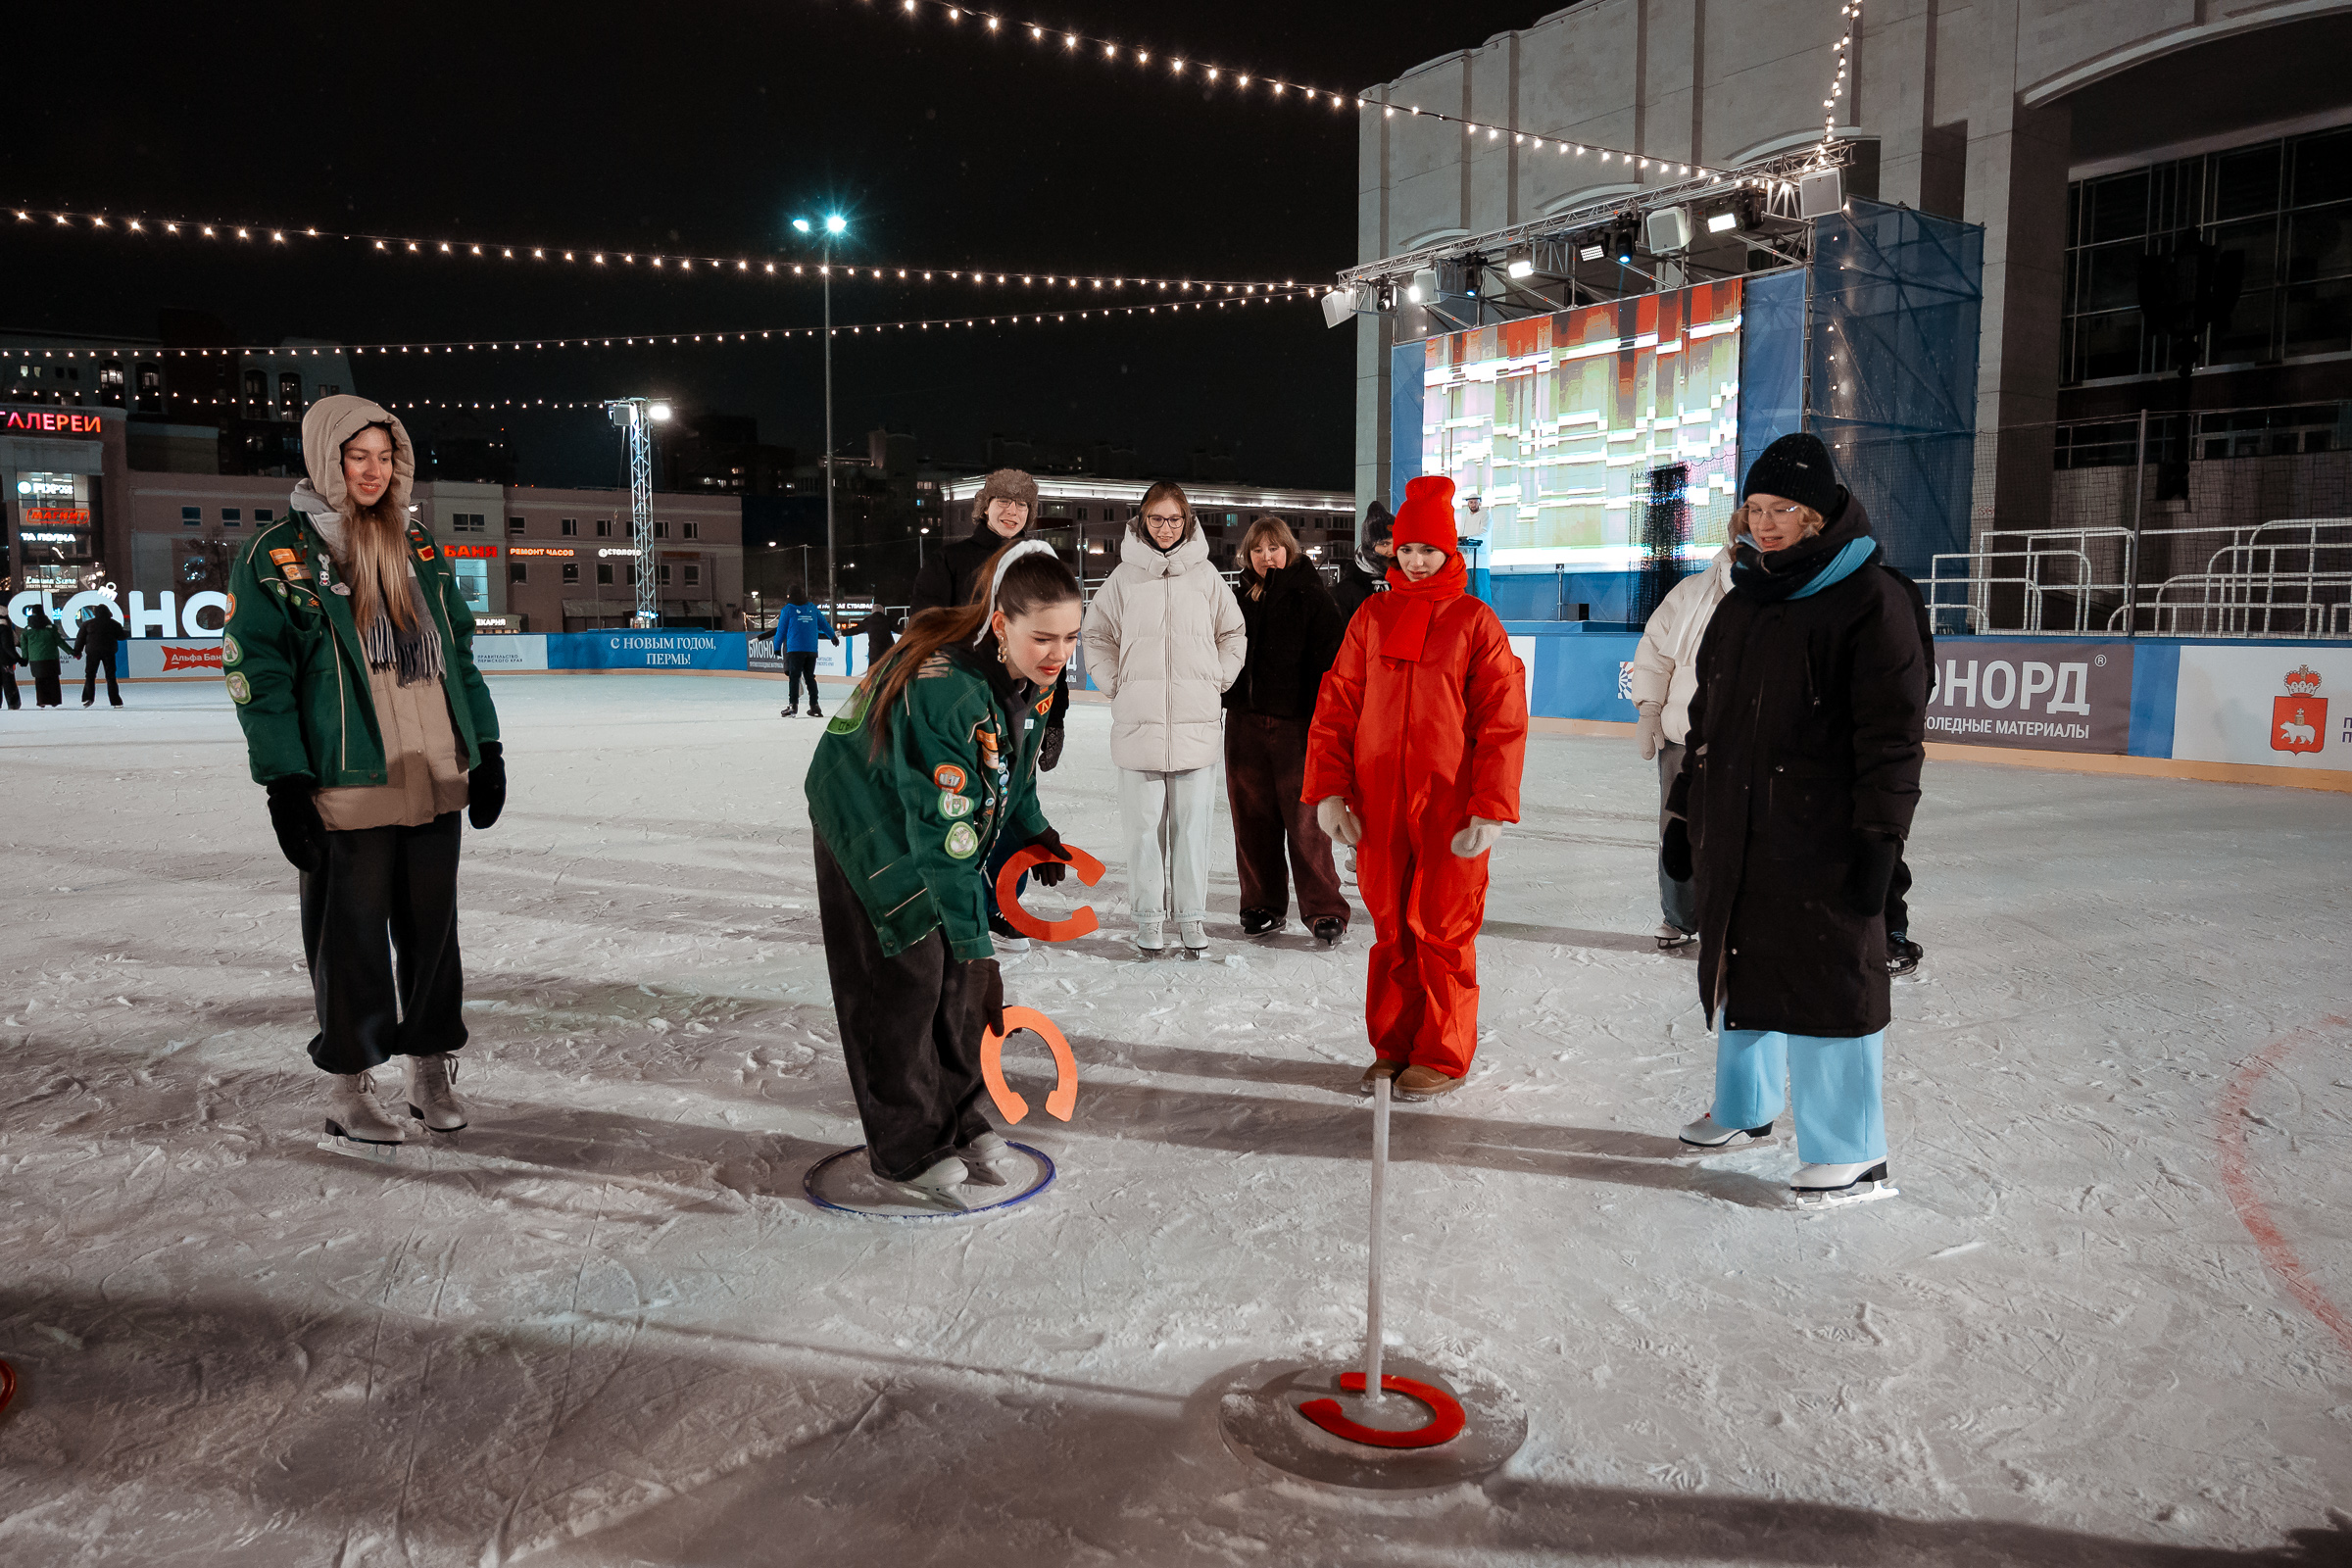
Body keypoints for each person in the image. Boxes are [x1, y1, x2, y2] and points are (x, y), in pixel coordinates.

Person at [224, 395, 507, 1152]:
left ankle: (427, 1073)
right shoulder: (279, 555)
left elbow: (460, 657)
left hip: (433, 772)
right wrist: (284, 781)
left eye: (386, 456)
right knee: (347, 941)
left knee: (432, 937)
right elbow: (260, 671)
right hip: (346, 781)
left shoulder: (417, 545)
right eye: (359, 457)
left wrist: (485, 750)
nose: (374, 471)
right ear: (327, 460)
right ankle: (348, 1091)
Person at [1663, 432, 1927, 1202]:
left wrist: (1882, 838)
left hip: (1825, 832)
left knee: (1827, 979)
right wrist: (1683, 813)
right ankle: (1745, 1109)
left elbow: (1892, 735)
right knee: (1739, 959)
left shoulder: (1872, 599)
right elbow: (1705, 722)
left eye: (1785, 509)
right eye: (1756, 508)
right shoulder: (1745, 598)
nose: (1767, 523)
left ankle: (1853, 1149)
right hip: (1741, 824)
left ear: (1817, 514)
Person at [805, 540, 1081, 1207]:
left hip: (934, 819)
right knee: (908, 971)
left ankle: (956, 1114)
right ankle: (901, 1145)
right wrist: (979, 949)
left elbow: (1007, 769)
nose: (1058, 654)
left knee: (958, 979)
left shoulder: (1030, 677)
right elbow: (944, 837)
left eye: (1070, 637)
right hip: (869, 821)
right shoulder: (946, 691)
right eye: (1043, 638)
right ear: (1001, 624)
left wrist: (1028, 826)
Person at [1304, 475, 1528, 1101]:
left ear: (1451, 550)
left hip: (1449, 805)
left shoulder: (1474, 621)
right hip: (1380, 803)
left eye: (1428, 550)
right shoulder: (1373, 617)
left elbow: (1502, 721)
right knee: (1391, 928)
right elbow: (1338, 705)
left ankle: (1442, 1052)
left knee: (1441, 927)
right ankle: (1393, 1045)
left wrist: (1490, 806)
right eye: (1406, 550)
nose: (1417, 560)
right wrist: (1329, 790)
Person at [1081, 480, 1247, 955]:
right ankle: (1149, 917)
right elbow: (1096, 635)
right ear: (1142, 521)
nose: (1166, 527)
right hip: (1139, 724)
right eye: (1157, 519)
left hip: (1195, 724)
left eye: (1175, 519)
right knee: (1144, 831)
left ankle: (1192, 917)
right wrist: (1115, 682)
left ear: (1188, 521)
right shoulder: (1123, 578)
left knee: (1193, 831)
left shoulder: (1207, 577)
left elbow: (1233, 631)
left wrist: (1219, 676)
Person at [915, 469, 1066, 950]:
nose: (1012, 511)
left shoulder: (1038, 565)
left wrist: (1055, 716)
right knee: (964, 802)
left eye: (1022, 505)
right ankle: (960, 906)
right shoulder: (952, 560)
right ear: (984, 506)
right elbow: (925, 630)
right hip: (964, 706)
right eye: (1003, 501)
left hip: (1021, 704)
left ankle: (1002, 906)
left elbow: (1053, 645)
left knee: (1011, 796)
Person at [1223, 514, 1349, 945]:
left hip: (1297, 727)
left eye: (1273, 547)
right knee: (1251, 820)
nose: (1265, 556)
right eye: (1257, 550)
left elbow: (1330, 668)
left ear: (1289, 550)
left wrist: (1322, 724)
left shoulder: (1314, 598)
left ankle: (1324, 908)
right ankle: (1261, 904)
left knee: (1306, 822)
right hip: (1243, 725)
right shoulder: (1237, 600)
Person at [1631, 544, 1734, 950]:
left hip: (1743, 740)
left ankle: (1734, 919)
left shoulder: (1780, 591)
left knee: (1737, 832)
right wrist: (1650, 708)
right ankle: (1678, 915)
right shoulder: (1692, 590)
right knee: (1676, 828)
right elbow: (1654, 652)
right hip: (1681, 735)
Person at [772, 589, 839, 718]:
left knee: (794, 677)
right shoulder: (812, 608)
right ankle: (815, 706)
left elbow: (781, 630)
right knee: (810, 677)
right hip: (811, 649)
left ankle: (793, 706)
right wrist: (832, 636)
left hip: (795, 649)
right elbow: (824, 624)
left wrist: (776, 646)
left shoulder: (788, 609)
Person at [1333, 500, 1394, 626]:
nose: (1391, 550)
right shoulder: (1347, 590)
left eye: (1395, 542)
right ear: (1369, 546)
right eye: (1384, 544)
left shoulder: (1408, 581)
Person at [72, 601, 126, 709]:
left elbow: (80, 639)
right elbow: (121, 636)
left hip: (92, 653)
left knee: (90, 675)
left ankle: (88, 697)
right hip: (109, 652)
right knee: (111, 677)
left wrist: (77, 651)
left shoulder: (87, 624)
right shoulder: (114, 624)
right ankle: (115, 701)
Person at [22, 606, 66, 709]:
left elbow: (24, 646)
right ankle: (54, 700)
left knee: (39, 681)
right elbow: (60, 642)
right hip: (51, 657)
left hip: (35, 659)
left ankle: (41, 701)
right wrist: (73, 652)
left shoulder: (27, 630)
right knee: (53, 679)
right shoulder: (51, 628)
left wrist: (25, 659)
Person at [0, 612, 22, 710]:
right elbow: (12, 643)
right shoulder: (5, 628)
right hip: (4, 659)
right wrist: (17, 658)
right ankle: (13, 703)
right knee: (8, 681)